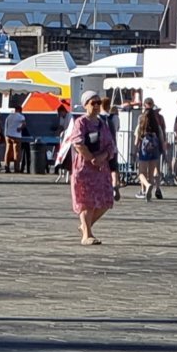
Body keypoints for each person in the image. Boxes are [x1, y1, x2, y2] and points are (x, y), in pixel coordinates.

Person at [66, 94, 118, 245]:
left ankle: (85, 226)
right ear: (85, 105)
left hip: (101, 168)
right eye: (93, 103)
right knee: (86, 201)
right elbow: (77, 142)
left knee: (106, 200)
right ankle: (87, 235)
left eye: (98, 102)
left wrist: (103, 157)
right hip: (84, 168)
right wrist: (90, 158)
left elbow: (111, 145)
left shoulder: (102, 123)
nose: (96, 105)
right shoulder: (80, 122)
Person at [132, 100, 166, 200]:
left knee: (141, 172)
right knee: (151, 173)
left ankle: (147, 186)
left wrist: (134, 152)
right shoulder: (157, 125)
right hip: (154, 150)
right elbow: (161, 138)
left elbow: (136, 140)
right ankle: (149, 194)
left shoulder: (141, 125)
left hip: (144, 150)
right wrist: (163, 151)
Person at [2, 100, 27, 172]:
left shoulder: (9, 116)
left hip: (8, 135)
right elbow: (24, 124)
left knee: (7, 151)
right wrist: (20, 128)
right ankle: (16, 168)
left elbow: (6, 125)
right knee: (17, 152)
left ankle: (7, 167)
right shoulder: (21, 116)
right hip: (16, 135)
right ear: (20, 110)